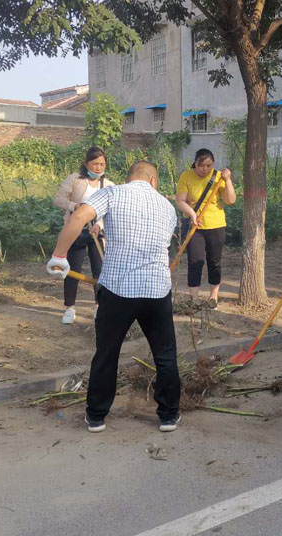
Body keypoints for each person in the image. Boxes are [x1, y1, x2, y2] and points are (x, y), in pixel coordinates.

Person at [46, 161, 181, 433]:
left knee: (107, 354)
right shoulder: (168, 207)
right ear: (153, 181)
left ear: (129, 178)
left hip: (118, 290)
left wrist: (59, 255)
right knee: (165, 355)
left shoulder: (113, 193)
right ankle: (168, 415)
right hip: (157, 290)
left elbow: (78, 217)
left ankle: (96, 416)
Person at [53, 146, 114, 324]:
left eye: (102, 164)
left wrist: (99, 225)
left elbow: (110, 210)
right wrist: (75, 207)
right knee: (73, 269)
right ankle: (69, 308)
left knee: (99, 270)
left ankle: (98, 306)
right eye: (95, 164)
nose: (98, 168)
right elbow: (58, 199)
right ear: (86, 164)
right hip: (75, 231)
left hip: (97, 233)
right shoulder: (75, 179)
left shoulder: (109, 185)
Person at [175, 149, 236, 309]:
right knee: (195, 261)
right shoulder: (186, 176)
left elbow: (230, 200)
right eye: (201, 165)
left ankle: (213, 296)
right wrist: (192, 214)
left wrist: (228, 180)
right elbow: (180, 200)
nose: (205, 169)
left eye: (209, 165)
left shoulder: (217, 177)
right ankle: (193, 298)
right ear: (195, 163)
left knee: (214, 261)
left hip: (216, 225)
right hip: (195, 225)